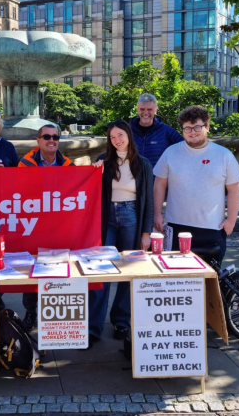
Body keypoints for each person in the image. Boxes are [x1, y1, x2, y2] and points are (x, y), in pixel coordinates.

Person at [153, 105, 239, 266]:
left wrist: (231, 220)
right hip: (176, 226)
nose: (192, 132)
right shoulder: (171, 152)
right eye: (187, 128)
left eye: (197, 127)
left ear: (207, 127)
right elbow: (159, 185)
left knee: (210, 280)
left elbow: (234, 189)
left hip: (211, 227)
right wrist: (157, 214)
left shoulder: (224, 155)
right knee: (176, 278)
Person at [89, 120, 154, 342]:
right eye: (112, 137)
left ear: (128, 135)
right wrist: (93, 173)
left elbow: (149, 201)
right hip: (107, 218)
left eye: (120, 135)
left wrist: (146, 233)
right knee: (102, 272)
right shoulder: (103, 161)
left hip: (131, 217)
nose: (117, 140)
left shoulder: (143, 163)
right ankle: (93, 327)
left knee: (128, 271)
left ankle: (121, 323)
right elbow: (91, 191)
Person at [17, 124, 74, 330]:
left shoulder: (68, 165)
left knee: (58, 267)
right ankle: (31, 313)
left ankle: (57, 316)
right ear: (38, 140)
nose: (52, 140)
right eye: (47, 137)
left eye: (55, 137)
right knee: (32, 267)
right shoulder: (25, 163)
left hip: (59, 225)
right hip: (34, 223)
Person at [129, 93, 183, 167]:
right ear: (137, 110)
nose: (145, 113)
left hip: (157, 178)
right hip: (132, 177)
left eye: (149, 109)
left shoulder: (166, 131)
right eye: (142, 109)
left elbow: (185, 147)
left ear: (155, 110)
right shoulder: (127, 131)